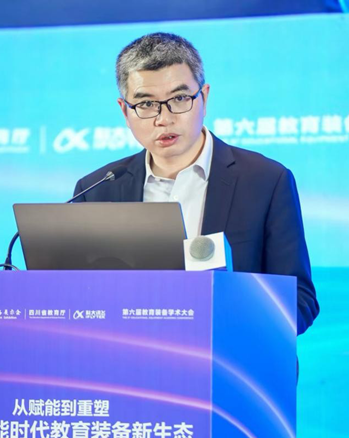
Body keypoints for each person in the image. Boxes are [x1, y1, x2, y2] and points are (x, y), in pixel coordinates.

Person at [74, 32, 319, 334]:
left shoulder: (266, 180)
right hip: (130, 359)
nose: (163, 119)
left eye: (179, 99)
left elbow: (300, 300)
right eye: (146, 103)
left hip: (231, 358)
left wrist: (221, 325)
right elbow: (77, 298)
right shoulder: (96, 191)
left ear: (204, 98)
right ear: (125, 111)